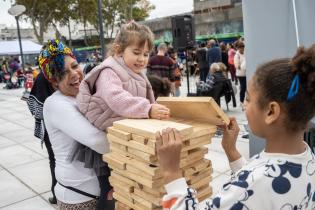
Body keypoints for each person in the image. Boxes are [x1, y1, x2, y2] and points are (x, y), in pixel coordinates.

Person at [156, 44, 315, 209]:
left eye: (247, 99)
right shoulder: (307, 156)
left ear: (271, 111)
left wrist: (171, 172)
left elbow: (253, 185)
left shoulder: (255, 182)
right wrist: (232, 151)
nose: (244, 106)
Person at [75, 22, 170, 208]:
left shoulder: (137, 73)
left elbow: (148, 97)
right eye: (136, 52)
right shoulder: (109, 71)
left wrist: (155, 108)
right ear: (119, 50)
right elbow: (116, 98)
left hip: (124, 136)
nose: (142, 59)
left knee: (131, 186)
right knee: (111, 190)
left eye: (145, 54)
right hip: (107, 139)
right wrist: (147, 109)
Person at [41, 39, 110, 210]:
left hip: (101, 190)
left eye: (74, 66)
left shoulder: (83, 95)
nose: (74, 74)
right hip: (79, 197)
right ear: (54, 82)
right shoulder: (55, 104)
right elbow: (98, 141)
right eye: (64, 73)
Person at [27, 71, 56, 204]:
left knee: (54, 161)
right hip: (58, 127)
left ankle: (56, 194)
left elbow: (34, 107)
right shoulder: (56, 74)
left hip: (50, 130)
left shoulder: (41, 76)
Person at [234, 41, 246, 110]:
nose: (242, 49)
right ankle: (241, 102)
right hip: (240, 74)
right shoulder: (237, 55)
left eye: (243, 47)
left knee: (247, 87)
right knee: (243, 88)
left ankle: (246, 102)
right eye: (241, 47)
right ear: (238, 48)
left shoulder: (245, 53)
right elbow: (236, 66)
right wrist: (242, 66)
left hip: (246, 73)